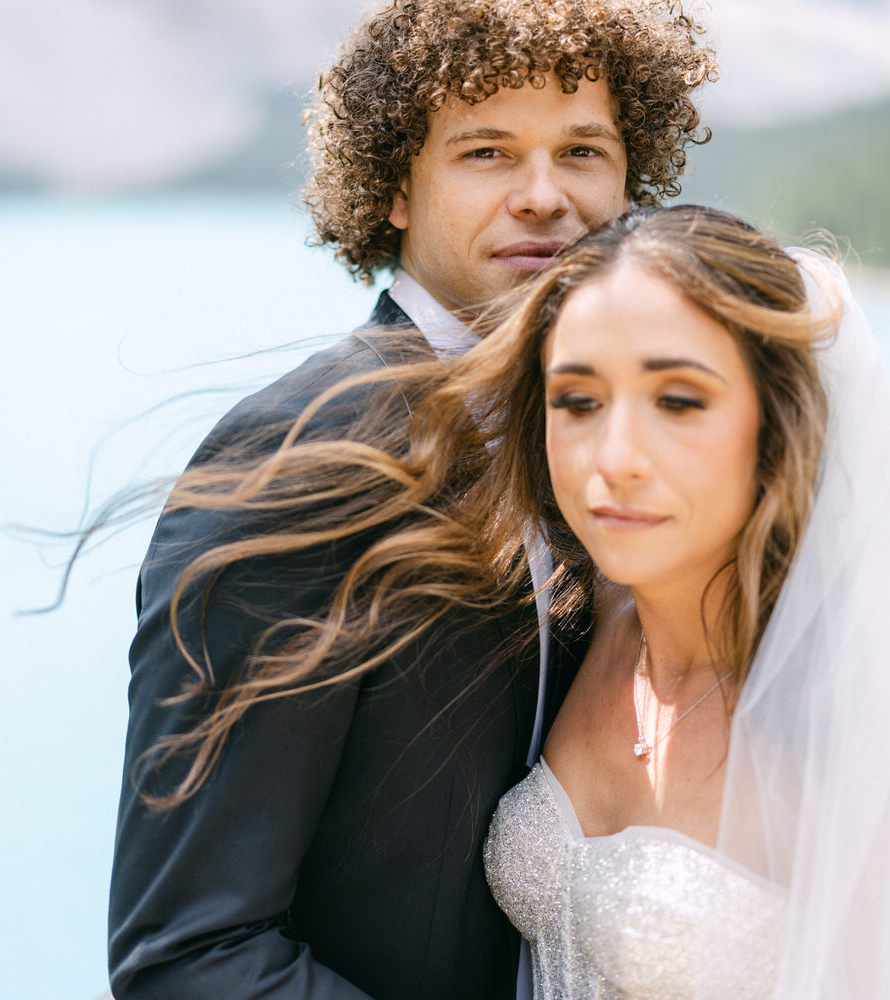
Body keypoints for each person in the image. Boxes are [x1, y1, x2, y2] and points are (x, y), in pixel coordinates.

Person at [149, 204, 890, 998]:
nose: (615, 456)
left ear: (776, 424)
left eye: (678, 400)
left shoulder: (872, 703)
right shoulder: (589, 617)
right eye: (578, 401)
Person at [104, 3, 715, 999]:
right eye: (487, 153)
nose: (544, 196)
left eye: (583, 152)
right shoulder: (297, 462)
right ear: (393, 185)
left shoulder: (598, 454)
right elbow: (189, 955)